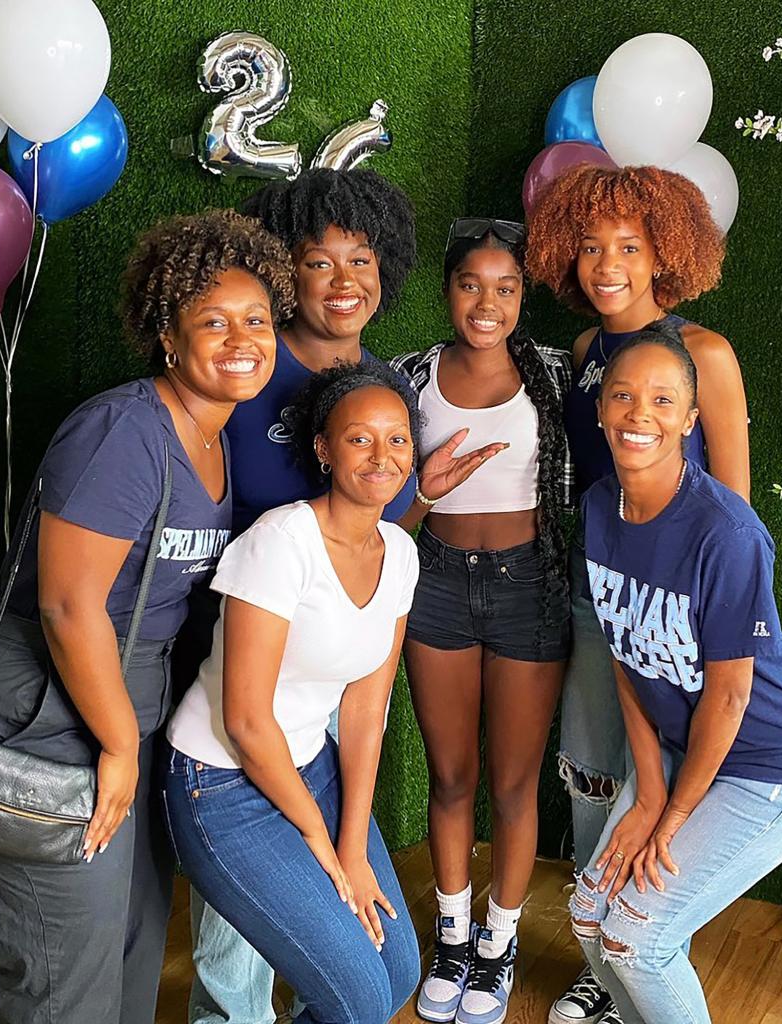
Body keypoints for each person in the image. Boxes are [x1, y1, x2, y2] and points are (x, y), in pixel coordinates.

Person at [0, 210, 295, 1023]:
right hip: (39, 708)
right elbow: (66, 604)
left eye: (258, 319)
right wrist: (120, 744)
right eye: (214, 321)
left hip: (128, 701)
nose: (243, 338)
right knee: (65, 983)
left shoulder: (216, 434)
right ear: (168, 333)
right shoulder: (123, 431)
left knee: (128, 945)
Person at [189, 168, 505, 1024]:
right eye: (319, 262)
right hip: (242, 671)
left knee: (345, 922)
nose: (344, 281)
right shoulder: (249, 363)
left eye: (361, 261)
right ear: (285, 271)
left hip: (329, 675)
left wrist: (423, 493)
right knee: (242, 919)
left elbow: (367, 518)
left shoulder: (379, 379)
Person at [526, 165, 750, 1024]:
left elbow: (735, 509)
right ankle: (603, 962)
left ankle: (650, 945)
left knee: (657, 785)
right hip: (596, 602)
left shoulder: (708, 355)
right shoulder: (585, 354)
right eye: (589, 246)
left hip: (682, 621)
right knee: (591, 776)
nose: (606, 263)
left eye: (628, 245)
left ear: (667, 252)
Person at [569, 322, 782, 1024]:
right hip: (683, 753)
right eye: (624, 396)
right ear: (600, 408)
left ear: (691, 420)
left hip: (772, 763)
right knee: (589, 916)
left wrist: (675, 814)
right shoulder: (600, 508)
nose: (640, 414)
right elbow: (627, 654)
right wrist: (650, 792)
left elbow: (730, 694)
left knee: (637, 940)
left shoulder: (727, 532)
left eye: (663, 401)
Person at [164, 362, 424, 1024]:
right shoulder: (281, 542)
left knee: (395, 976)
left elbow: (366, 711)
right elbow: (246, 721)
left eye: (397, 439)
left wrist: (355, 845)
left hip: (314, 764)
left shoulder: (398, 552)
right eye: (360, 438)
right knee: (358, 998)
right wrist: (322, 841)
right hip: (219, 783)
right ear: (323, 449)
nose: (381, 456)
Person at [391, 217, 573, 1024]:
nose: (487, 302)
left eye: (505, 288)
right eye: (472, 284)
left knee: (513, 782)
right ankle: (454, 938)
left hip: (529, 582)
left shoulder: (556, 378)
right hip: (434, 580)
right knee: (453, 774)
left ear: (522, 296)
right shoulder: (410, 376)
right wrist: (424, 487)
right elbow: (381, 493)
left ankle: (499, 949)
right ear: (447, 290)